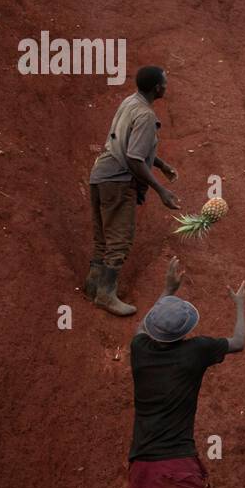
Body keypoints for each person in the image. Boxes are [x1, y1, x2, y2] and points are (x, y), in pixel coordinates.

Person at [112, 257, 245, 488]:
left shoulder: (139, 352)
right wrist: (239, 304)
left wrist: (168, 289)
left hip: (141, 467)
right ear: (186, 328)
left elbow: (142, 329)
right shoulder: (196, 351)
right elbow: (239, 342)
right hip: (179, 470)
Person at [86, 66, 180, 316]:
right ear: (157, 88)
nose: (167, 86)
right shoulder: (146, 115)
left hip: (100, 175)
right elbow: (135, 159)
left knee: (102, 236)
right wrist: (162, 191)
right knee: (120, 239)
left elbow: (128, 145)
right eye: (165, 83)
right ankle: (106, 295)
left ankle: (93, 284)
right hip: (118, 181)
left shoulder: (130, 102)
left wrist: (161, 165)